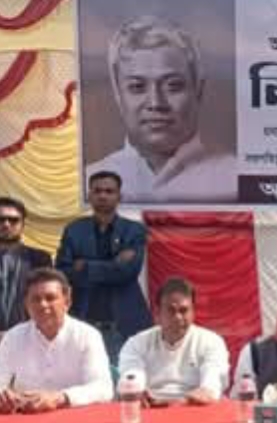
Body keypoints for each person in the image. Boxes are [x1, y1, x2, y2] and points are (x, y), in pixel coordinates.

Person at [86, 15, 236, 203]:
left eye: (173, 86)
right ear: (117, 94)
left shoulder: (237, 180)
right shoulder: (88, 181)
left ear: (198, 89)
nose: (156, 103)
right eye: (137, 87)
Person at [56, 171, 152, 370]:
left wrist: (85, 266)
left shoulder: (134, 230)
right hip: (83, 320)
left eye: (109, 191)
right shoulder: (74, 230)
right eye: (97, 191)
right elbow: (63, 273)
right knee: (82, 378)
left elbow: (128, 272)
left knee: (125, 380)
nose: (103, 195)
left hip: (124, 323)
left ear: (119, 196)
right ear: (89, 195)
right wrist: (113, 265)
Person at [0, 268, 113, 414]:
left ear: (67, 302)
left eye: (50, 298)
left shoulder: (87, 336)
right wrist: (4, 397)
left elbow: (103, 388)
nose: (43, 305)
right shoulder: (13, 337)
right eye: (36, 299)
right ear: (26, 305)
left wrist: (60, 398)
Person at [119, 277, 229, 405]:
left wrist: (176, 402)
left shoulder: (211, 342)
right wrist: (136, 392)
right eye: (171, 310)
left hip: (194, 408)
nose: (177, 317)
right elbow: (132, 380)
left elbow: (211, 388)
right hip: (150, 409)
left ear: (193, 312)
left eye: (184, 311)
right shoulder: (136, 343)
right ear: (157, 313)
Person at [0, 197, 52, 334]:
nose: (6, 224)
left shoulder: (40, 259)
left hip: (29, 336)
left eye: (13, 220)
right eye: (1, 219)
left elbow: (47, 300)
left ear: (23, 224)